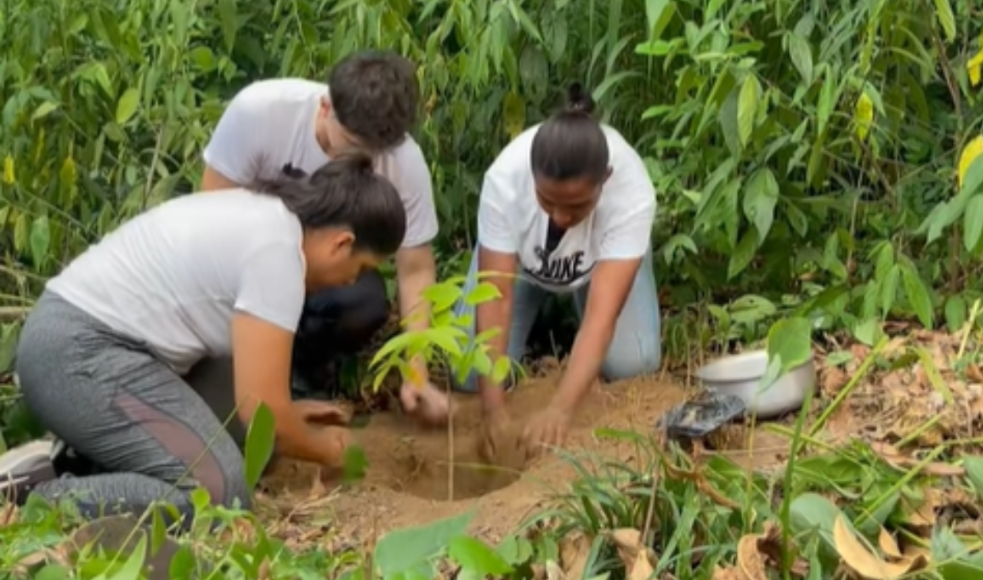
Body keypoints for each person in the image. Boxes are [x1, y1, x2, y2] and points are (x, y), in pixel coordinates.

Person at [0, 152, 404, 524]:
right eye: (360, 268)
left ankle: (76, 463)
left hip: (99, 348)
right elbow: (264, 415)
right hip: (77, 354)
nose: (351, 282)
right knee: (217, 494)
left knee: (246, 437)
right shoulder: (277, 255)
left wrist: (290, 415)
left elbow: (258, 410)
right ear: (342, 243)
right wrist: (329, 451)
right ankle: (37, 498)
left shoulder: (269, 218)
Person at [200, 49, 448, 424]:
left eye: (372, 153)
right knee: (227, 412)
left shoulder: (403, 162)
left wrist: (417, 372)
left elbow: (415, 269)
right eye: (349, 143)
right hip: (249, 266)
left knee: (362, 301)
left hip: (324, 280)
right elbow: (210, 219)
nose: (356, 158)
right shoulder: (260, 113)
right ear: (325, 106)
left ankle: (304, 379)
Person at [454, 84, 661, 459]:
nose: (561, 217)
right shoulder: (505, 178)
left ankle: (562, 313)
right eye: (547, 201)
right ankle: (543, 312)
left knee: (635, 363)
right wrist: (493, 409)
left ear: (605, 181)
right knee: (469, 373)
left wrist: (560, 409)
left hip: (597, 267)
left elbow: (602, 317)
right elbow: (496, 299)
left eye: (577, 206)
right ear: (531, 177)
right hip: (521, 269)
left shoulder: (631, 190)